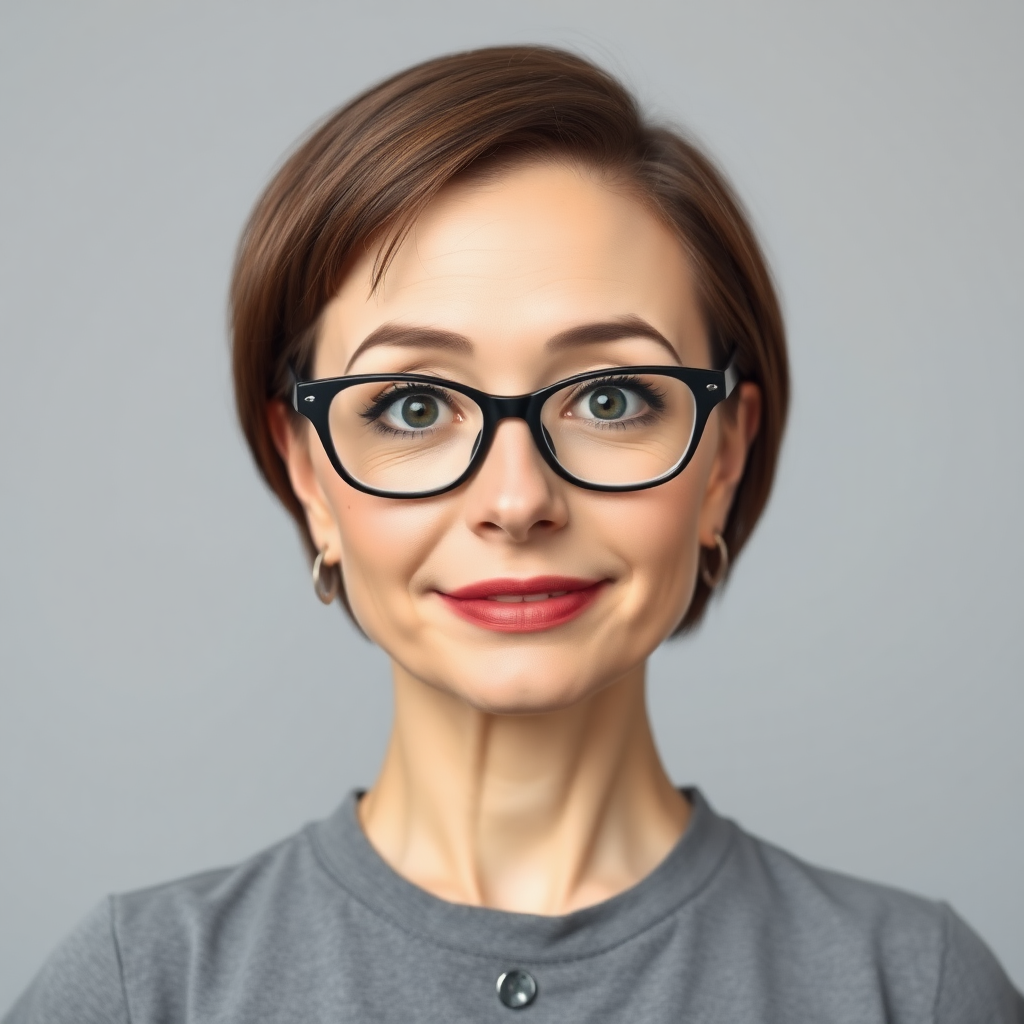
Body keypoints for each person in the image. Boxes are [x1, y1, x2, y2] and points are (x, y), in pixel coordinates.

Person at [6, 45, 1021, 1024]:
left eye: (613, 397)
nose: (516, 498)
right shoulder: (143, 990)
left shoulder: (910, 989)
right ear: (309, 472)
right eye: (410, 405)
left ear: (721, 460)